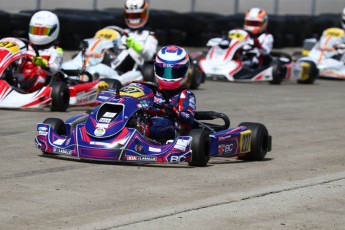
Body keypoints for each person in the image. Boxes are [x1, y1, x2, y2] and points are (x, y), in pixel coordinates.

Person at [148, 45, 196, 143]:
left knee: (160, 124)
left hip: (173, 127)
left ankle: (143, 134)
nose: (168, 77)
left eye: (174, 73)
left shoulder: (185, 94)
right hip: (149, 121)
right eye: (165, 72)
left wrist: (173, 111)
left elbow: (189, 119)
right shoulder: (151, 90)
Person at [18, 10, 63, 93]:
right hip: (22, 75)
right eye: (35, 30)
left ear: (53, 30)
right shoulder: (26, 45)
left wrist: (42, 63)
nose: (37, 35)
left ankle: (21, 89)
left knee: (39, 73)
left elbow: (54, 68)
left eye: (42, 31)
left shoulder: (55, 50)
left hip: (42, 78)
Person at [115, 0, 158, 72]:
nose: (134, 18)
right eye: (131, 16)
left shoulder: (149, 35)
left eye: (137, 15)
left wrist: (136, 46)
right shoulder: (123, 32)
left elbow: (149, 56)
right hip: (117, 63)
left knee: (128, 54)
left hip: (136, 69)